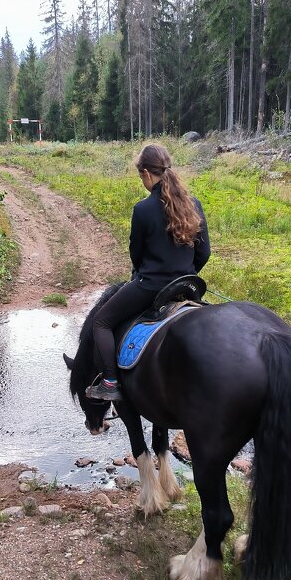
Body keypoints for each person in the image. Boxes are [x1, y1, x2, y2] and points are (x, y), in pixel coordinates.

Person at [86, 143, 210, 401]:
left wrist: (149, 272)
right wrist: (185, 272)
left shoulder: (142, 210)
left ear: (145, 173)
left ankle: (110, 382)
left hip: (151, 286)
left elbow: (136, 255)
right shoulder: (194, 204)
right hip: (187, 285)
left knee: (102, 321)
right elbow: (204, 252)